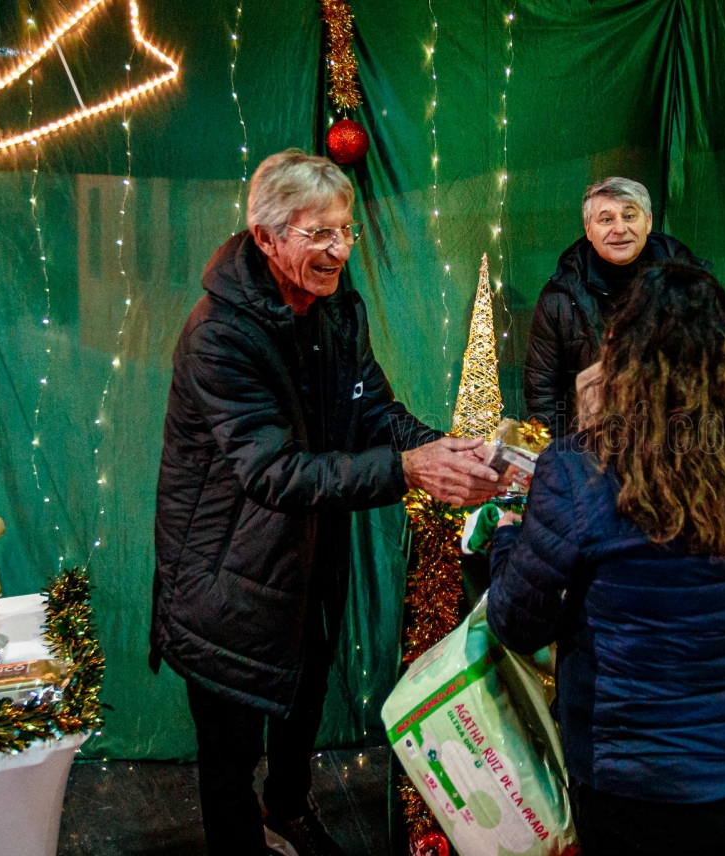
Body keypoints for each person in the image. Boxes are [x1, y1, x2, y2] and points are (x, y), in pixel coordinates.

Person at [150, 149, 502, 856]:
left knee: (303, 700)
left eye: (346, 230)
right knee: (229, 750)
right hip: (224, 577)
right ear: (267, 238)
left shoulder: (339, 310)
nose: (339, 248)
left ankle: (286, 809)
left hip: (307, 561)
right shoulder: (218, 335)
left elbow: (374, 409)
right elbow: (273, 472)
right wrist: (409, 470)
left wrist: (449, 451)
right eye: (319, 233)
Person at [488, 263, 725, 855]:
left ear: (619, 355)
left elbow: (516, 622)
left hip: (633, 780)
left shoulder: (577, 471)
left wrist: (507, 538)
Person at [523, 176, 708, 437]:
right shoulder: (559, 297)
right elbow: (542, 391)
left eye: (629, 216)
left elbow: (714, 374)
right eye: (606, 219)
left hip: (673, 446)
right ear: (588, 229)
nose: (619, 229)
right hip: (591, 447)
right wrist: (564, 457)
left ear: (649, 222)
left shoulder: (692, 288)